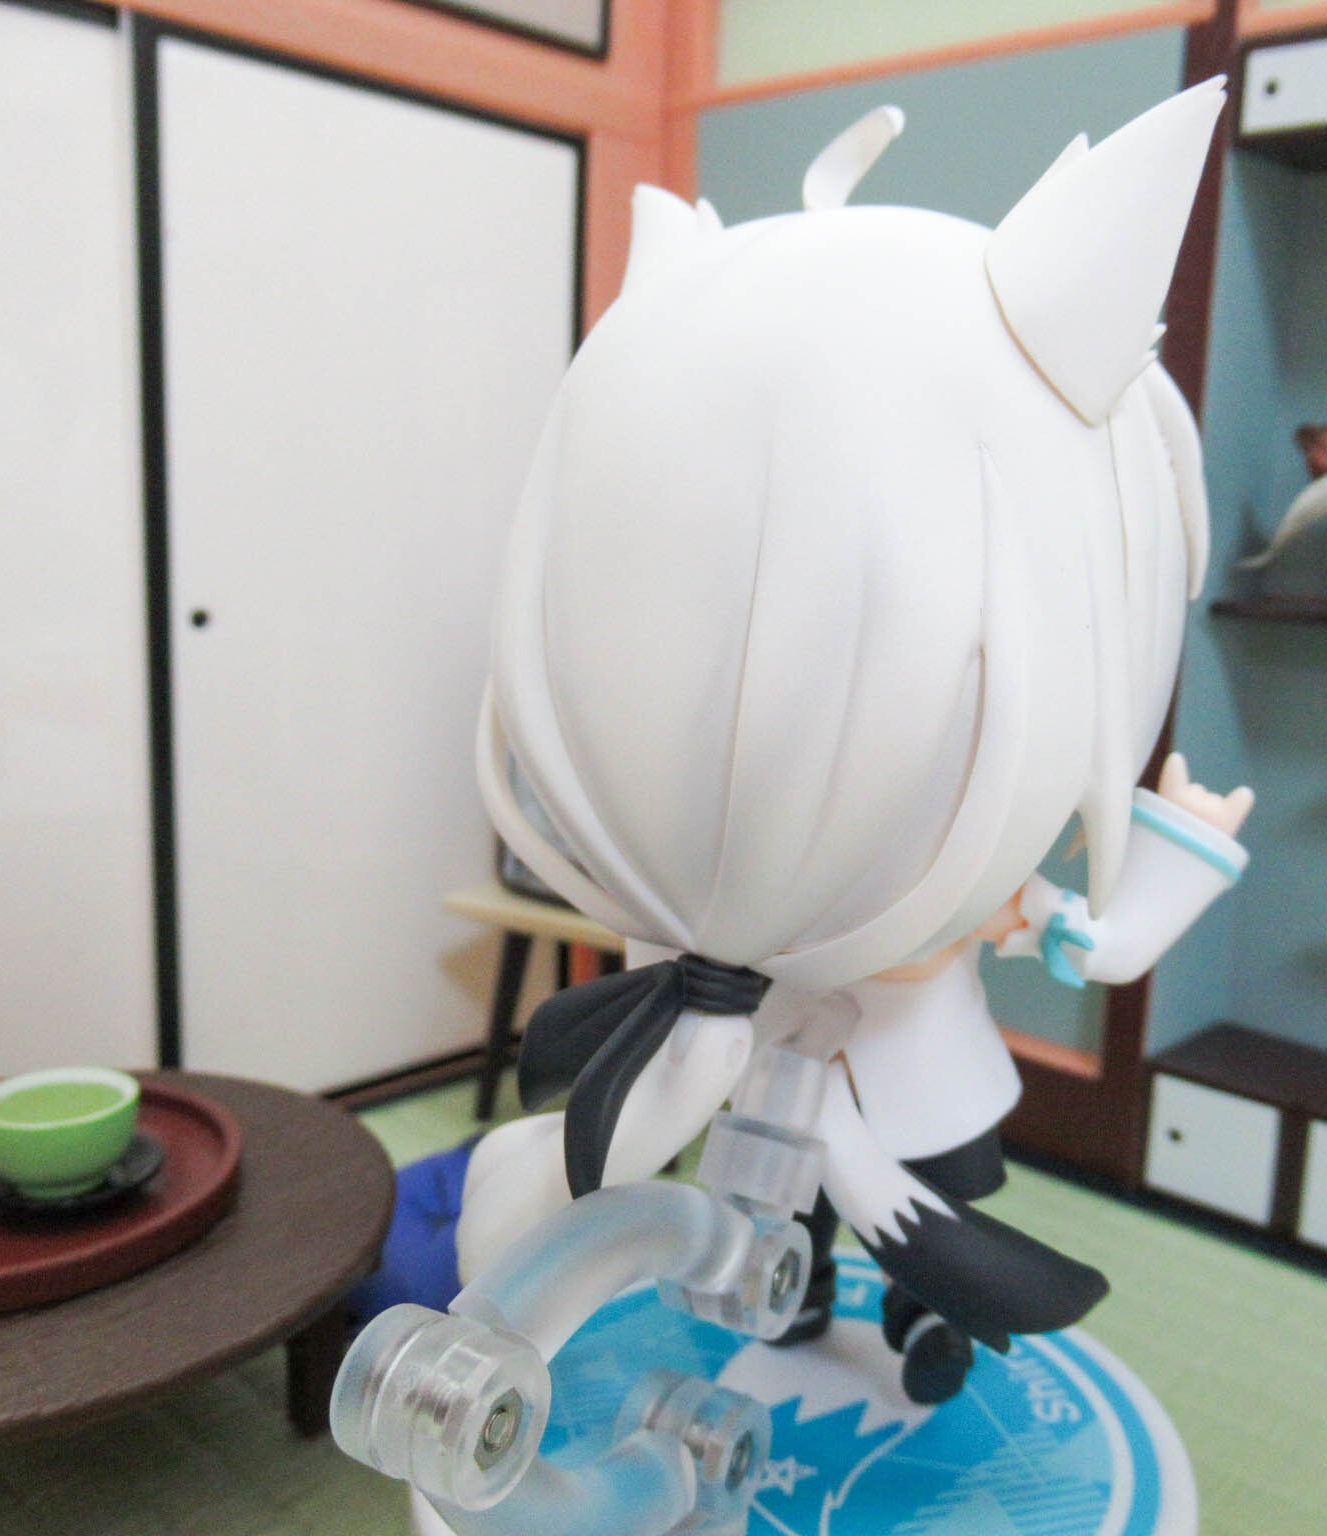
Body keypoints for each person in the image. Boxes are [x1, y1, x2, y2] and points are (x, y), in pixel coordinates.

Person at [455, 78, 1247, 1406]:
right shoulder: (695, 894)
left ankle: (929, 1315)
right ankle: (805, 1284)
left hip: (915, 1083)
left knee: (931, 1196)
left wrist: (1176, 854)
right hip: (763, 1084)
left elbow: (1092, 944)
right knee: (787, 1214)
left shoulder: (959, 868)